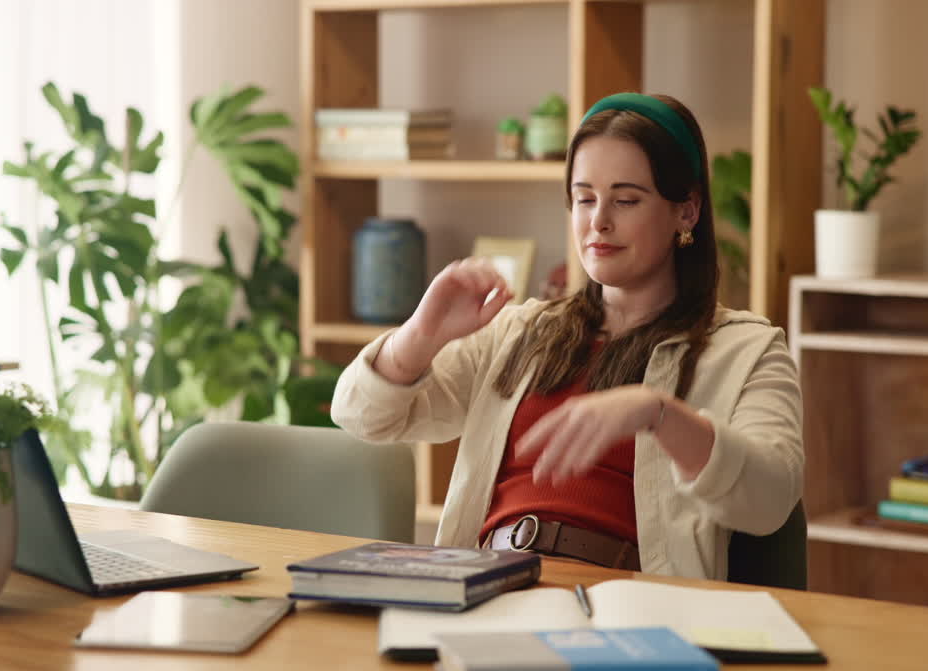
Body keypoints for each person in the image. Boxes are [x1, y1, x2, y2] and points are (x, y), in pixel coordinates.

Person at [331, 92, 803, 581]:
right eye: (584, 198)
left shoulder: (747, 350)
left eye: (626, 200)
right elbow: (360, 417)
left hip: (630, 602)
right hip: (487, 582)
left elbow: (770, 501)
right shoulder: (519, 330)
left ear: (686, 212)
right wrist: (421, 335)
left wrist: (659, 413)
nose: (598, 221)